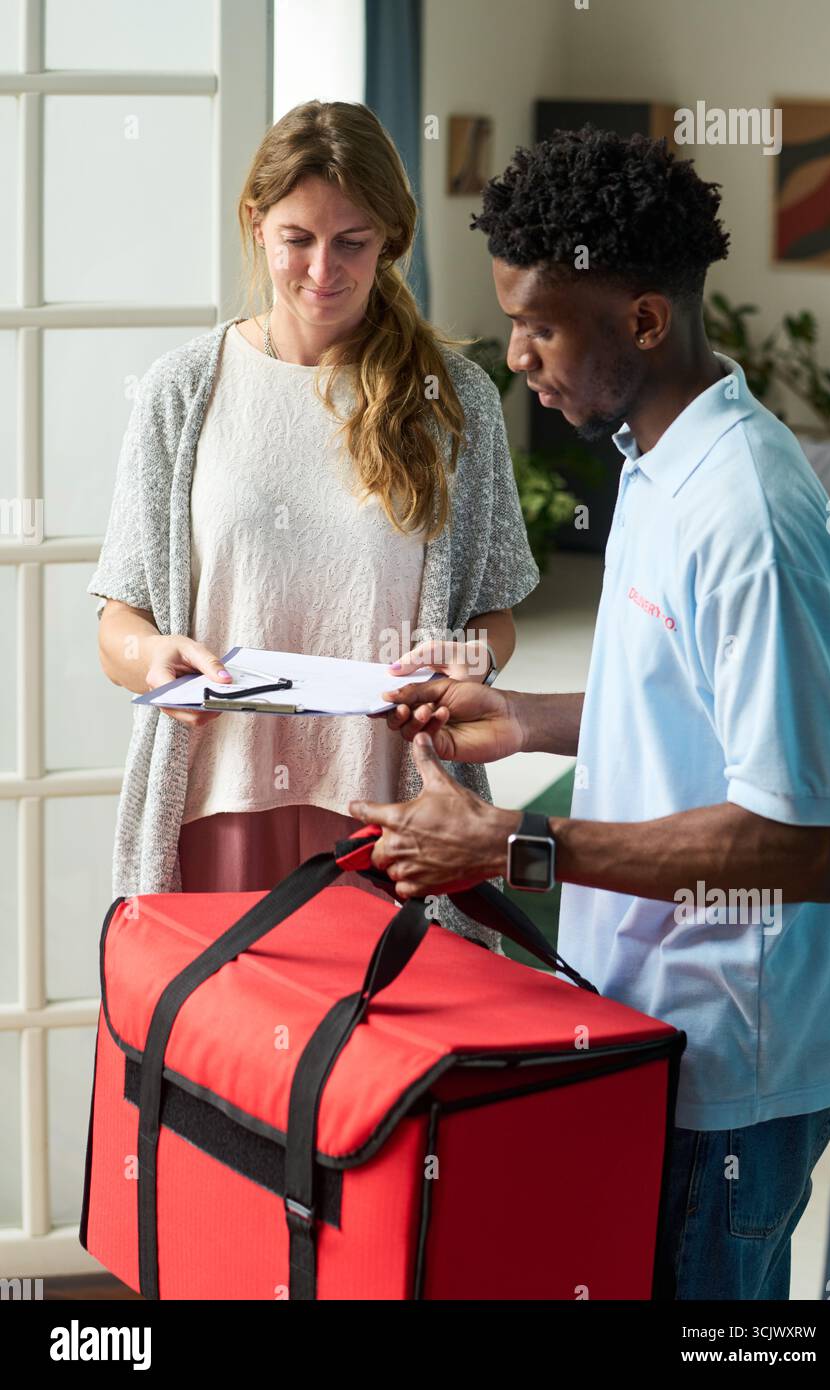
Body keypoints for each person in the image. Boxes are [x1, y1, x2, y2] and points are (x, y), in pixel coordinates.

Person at [348, 125, 830, 1300]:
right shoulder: (652, 458)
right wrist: (523, 718)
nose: (515, 353)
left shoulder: (747, 515)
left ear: (640, 321)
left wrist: (515, 841)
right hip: (643, 1029)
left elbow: (801, 842)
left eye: (538, 322)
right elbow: (684, 704)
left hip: (729, 1070)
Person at [88, 100, 539, 945]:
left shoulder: (457, 400)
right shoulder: (181, 392)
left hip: (392, 812)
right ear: (256, 226)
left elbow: (495, 617)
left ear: (391, 241)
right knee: (219, 1066)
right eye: (298, 238)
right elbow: (119, 621)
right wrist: (156, 659)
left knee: (389, 1067)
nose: (323, 269)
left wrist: (466, 655)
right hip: (216, 805)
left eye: (353, 242)